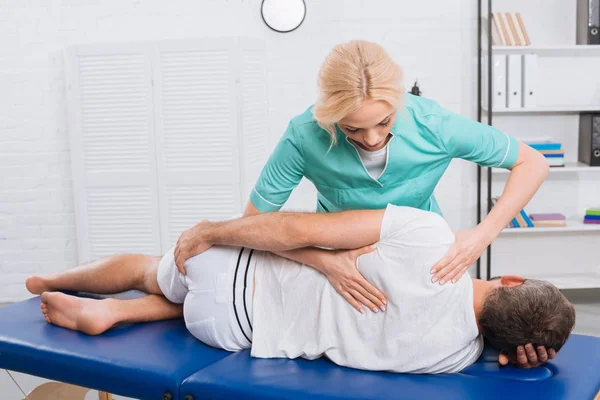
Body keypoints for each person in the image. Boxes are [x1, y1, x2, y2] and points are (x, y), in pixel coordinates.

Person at [174, 40, 549, 321]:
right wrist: (324, 262)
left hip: (419, 257)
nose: (371, 139)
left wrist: (481, 235)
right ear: (329, 115)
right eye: (352, 128)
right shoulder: (304, 134)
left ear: (398, 102)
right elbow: (252, 225)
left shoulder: (434, 125)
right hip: (340, 261)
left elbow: (532, 163)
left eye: (384, 123)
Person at [27, 205, 574, 373]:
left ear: (510, 279)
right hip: (230, 332)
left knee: (147, 268)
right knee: (176, 302)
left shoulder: (430, 237)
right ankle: (116, 317)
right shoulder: (453, 359)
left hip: (228, 275)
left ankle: (51, 280)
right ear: (505, 347)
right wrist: (514, 355)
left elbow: (295, 231)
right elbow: (488, 359)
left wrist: (210, 232)